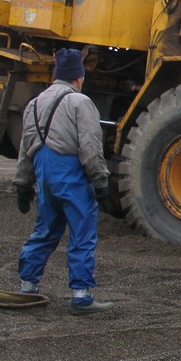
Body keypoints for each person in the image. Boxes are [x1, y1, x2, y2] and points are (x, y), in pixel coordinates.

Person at [13, 48, 115, 315]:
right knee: (82, 234)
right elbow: (90, 147)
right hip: (72, 176)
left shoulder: (34, 104)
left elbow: (25, 150)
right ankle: (81, 296)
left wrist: (23, 185)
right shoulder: (80, 103)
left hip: (44, 174)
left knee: (45, 231)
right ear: (78, 78)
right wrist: (101, 181)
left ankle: (27, 286)